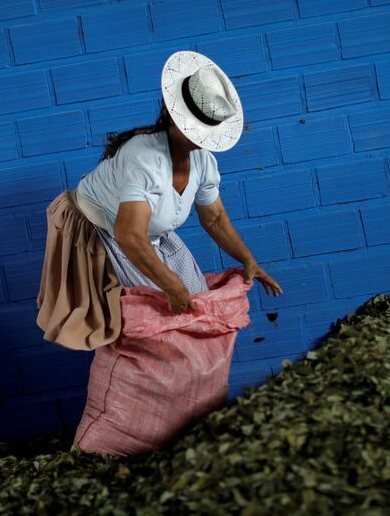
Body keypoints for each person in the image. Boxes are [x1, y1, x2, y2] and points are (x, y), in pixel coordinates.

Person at [37, 50, 283, 351]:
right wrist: (169, 284)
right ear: (176, 117)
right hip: (101, 231)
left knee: (192, 299)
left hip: (148, 234)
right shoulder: (144, 159)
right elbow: (128, 235)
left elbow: (215, 217)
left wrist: (248, 260)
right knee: (149, 317)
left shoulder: (202, 161)